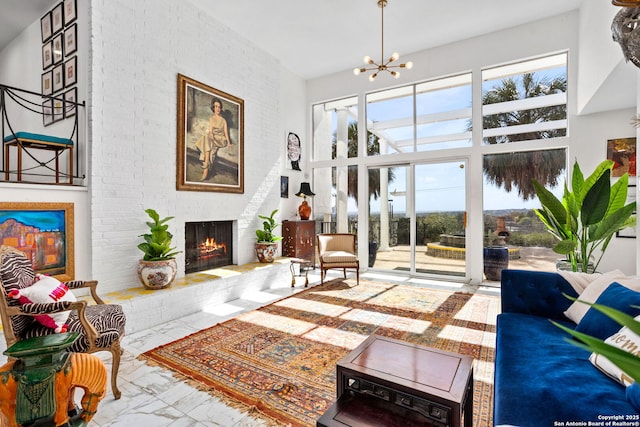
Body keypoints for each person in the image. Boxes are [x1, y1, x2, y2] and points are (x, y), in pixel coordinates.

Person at [196, 97, 231, 180]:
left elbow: (226, 132)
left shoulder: (223, 120)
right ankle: (207, 166)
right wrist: (211, 134)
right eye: (216, 106)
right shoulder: (211, 119)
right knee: (207, 137)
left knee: (206, 137)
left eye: (219, 107)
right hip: (214, 138)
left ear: (221, 108)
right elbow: (211, 130)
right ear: (213, 108)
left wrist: (229, 142)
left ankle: (206, 167)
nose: (218, 108)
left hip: (221, 139)